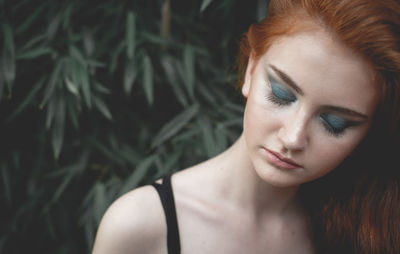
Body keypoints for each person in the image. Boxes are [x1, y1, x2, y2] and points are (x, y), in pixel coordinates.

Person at [92, 0, 400, 253]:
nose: (292, 137)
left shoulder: (369, 230)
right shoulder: (139, 225)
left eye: (335, 123)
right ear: (251, 69)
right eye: (281, 95)